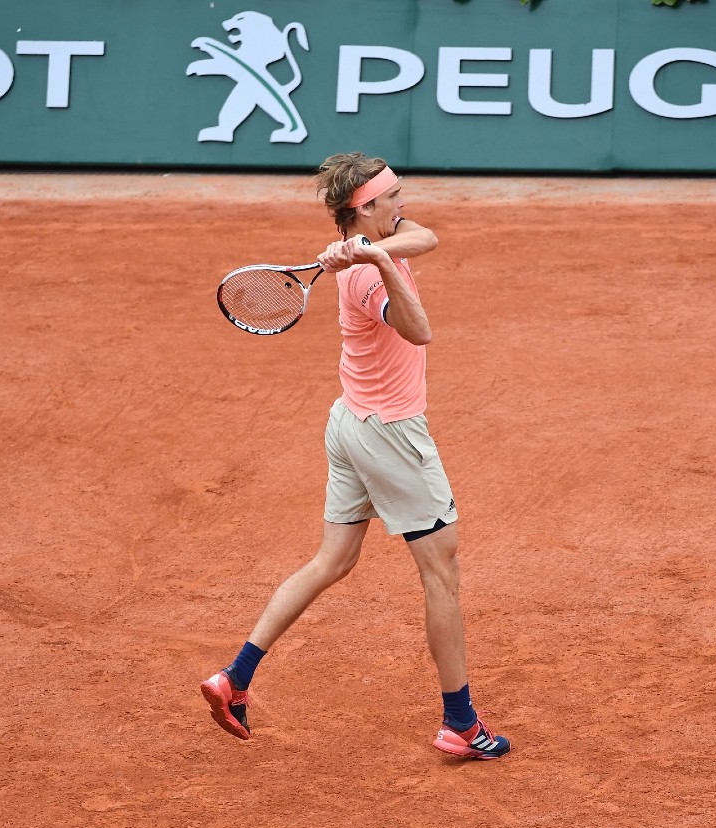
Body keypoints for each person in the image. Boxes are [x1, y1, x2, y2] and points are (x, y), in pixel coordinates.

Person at [200, 152, 510, 760]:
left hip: (349, 424)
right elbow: (419, 329)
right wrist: (375, 263)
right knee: (441, 574)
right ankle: (461, 723)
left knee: (332, 561)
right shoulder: (366, 278)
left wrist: (374, 248)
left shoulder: (375, 248)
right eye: (392, 195)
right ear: (363, 208)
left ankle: (234, 677)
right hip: (392, 437)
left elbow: (428, 235)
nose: (404, 202)